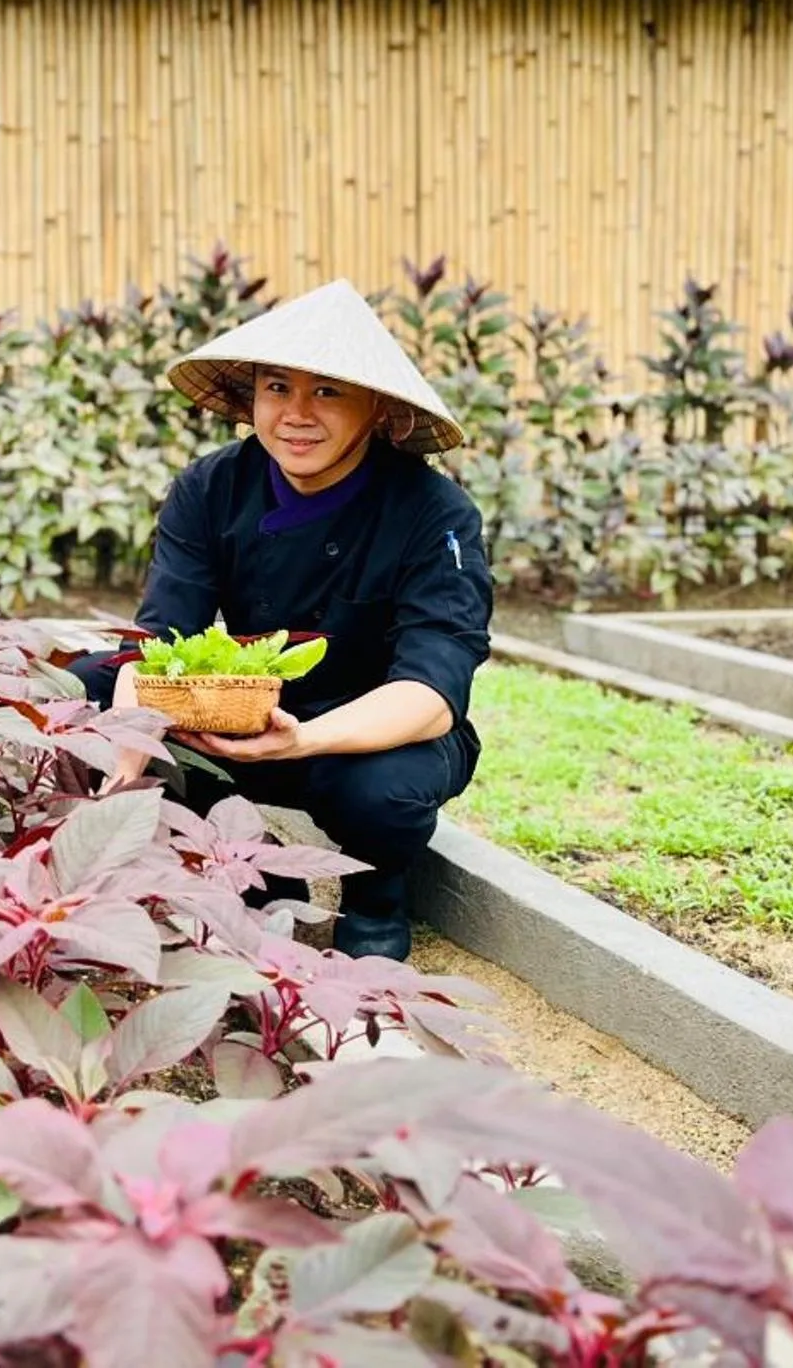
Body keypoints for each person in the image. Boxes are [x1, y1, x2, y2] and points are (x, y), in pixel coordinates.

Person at [78, 280, 493, 959]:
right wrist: (123, 759)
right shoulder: (209, 488)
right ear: (252, 398)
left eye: (327, 391)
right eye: (277, 388)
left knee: (386, 790)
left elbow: (432, 690)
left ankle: (376, 902)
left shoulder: (434, 512)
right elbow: (159, 642)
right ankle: (261, 875)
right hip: (241, 712)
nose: (297, 414)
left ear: (376, 409)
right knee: (88, 688)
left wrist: (301, 740)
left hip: (366, 734)